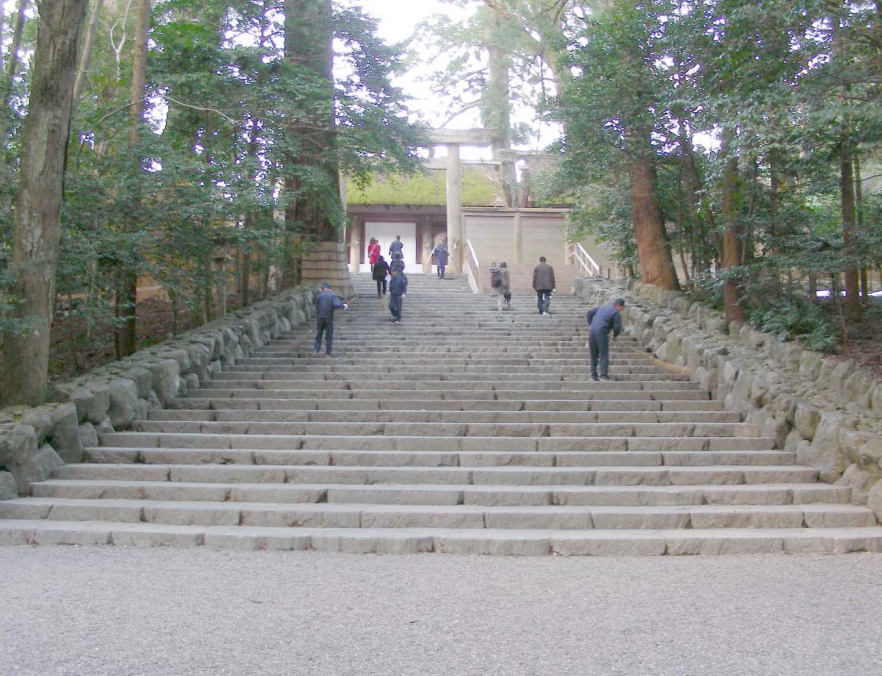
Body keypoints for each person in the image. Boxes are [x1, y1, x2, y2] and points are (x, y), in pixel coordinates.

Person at [587, 298, 625, 381]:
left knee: (594, 354)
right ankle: (603, 375)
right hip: (602, 332)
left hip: (592, 331)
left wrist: (590, 324)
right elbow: (617, 327)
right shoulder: (616, 313)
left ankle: (593, 376)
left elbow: (589, 313)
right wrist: (615, 335)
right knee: (603, 354)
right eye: (622, 307)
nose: (622, 309)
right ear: (618, 306)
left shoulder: (602, 307)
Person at [314, 282, 348, 357]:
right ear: (330, 288)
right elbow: (336, 305)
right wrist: (344, 306)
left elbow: (317, 307)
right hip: (328, 318)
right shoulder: (333, 295)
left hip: (320, 317)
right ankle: (327, 353)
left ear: (324, 289)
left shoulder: (319, 296)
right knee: (329, 335)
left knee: (319, 334)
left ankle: (316, 350)